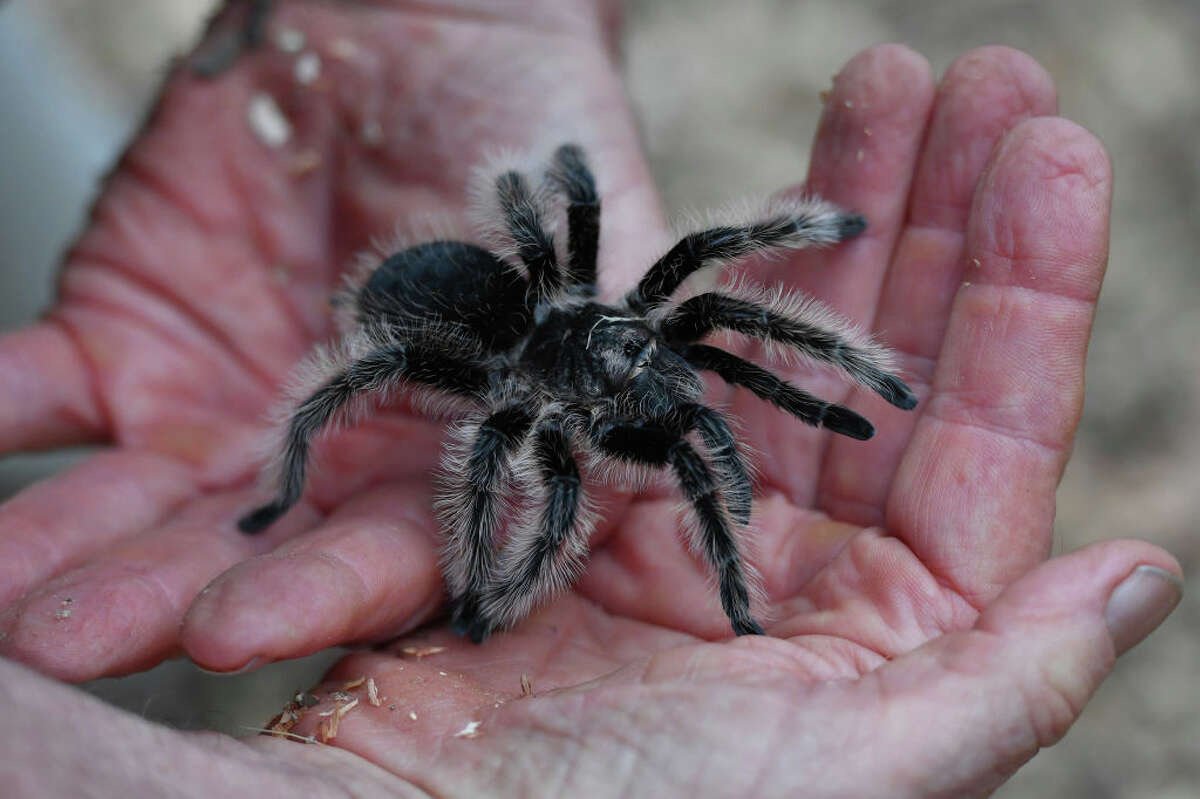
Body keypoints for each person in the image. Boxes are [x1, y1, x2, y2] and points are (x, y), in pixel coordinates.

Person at [0, 1, 1182, 796]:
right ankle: (361, 534)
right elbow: (505, 474)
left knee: (717, 326)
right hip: (457, 318)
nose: (661, 379)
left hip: (551, 317)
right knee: (506, 468)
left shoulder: (652, 325)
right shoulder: (527, 406)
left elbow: (717, 273)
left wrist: (844, 354)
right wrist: (488, 587)